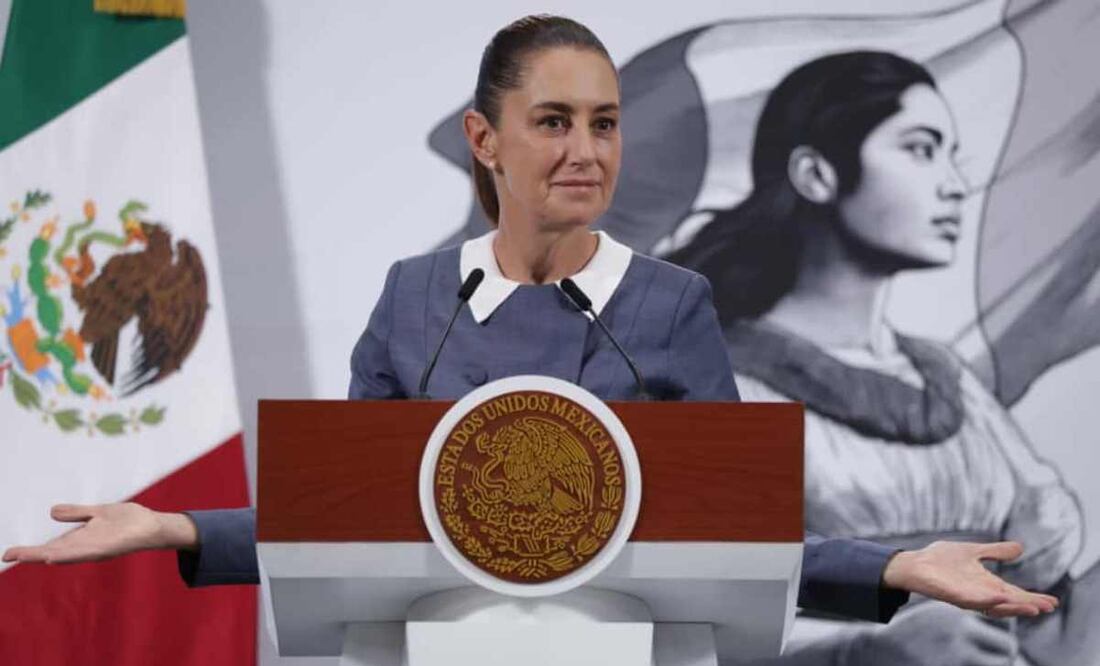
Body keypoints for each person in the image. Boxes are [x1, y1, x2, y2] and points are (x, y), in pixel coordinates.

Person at [3, 17, 1058, 626]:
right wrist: (176, 528)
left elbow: (743, 540)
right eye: (552, 122)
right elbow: (350, 523)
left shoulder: (673, 304)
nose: (586, 151)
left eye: (604, 123)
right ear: (485, 140)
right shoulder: (414, 298)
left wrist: (892, 566)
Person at [670, 51, 1097, 664]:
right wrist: (865, 651)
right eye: (921, 150)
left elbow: (1051, 618)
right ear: (817, 174)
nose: (954, 184)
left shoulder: (946, 380)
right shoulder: (722, 381)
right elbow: (694, 631)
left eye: (952, 156)